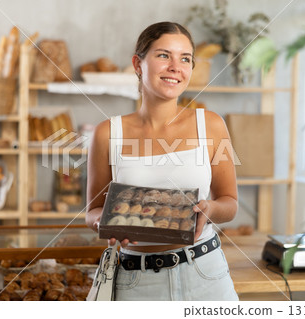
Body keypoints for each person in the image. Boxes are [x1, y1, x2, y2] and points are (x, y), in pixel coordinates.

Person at [86, 21, 238, 301]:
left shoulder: (212, 125)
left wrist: (210, 209)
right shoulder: (107, 133)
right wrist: (106, 223)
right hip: (135, 281)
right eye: (163, 55)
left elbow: (229, 202)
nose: (175, 67)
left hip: (205, 274)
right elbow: (93, 210)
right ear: (138, 64)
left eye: (185, 59)